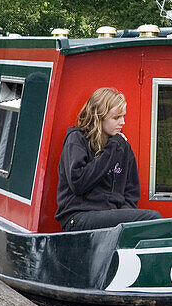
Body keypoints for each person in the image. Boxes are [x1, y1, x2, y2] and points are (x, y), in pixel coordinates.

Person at [56, 87, 161, 231]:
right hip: (78, 216)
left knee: (148, 222)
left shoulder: (123, 147)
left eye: (123, 116)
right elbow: (79, 184)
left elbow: (131, 193)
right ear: (98, 116)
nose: (122, 122)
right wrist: (111, 149)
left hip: (110, 216)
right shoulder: (77, 139)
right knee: (153, 218)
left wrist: (124, 223)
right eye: (116, 117)